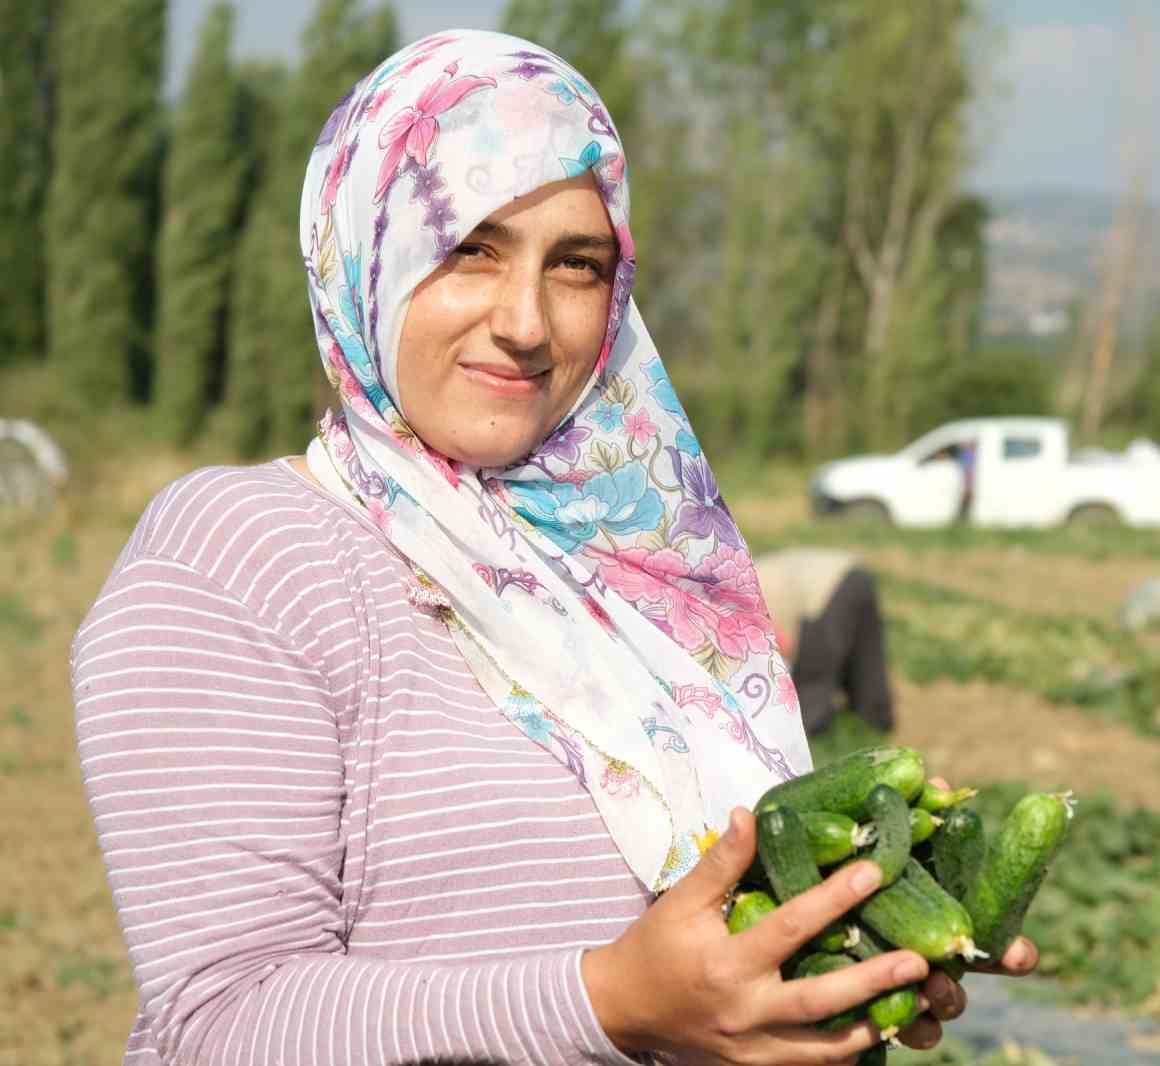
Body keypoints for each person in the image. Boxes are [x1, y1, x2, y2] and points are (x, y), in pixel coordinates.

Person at [70, 31, 1037, 1066]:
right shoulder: (242, 554)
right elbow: (219, 1023)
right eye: (469, 248)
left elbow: (691, 957)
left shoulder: (629, 569)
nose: (526, 322)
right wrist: (608, 1002)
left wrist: (834, 968)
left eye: (575, 265)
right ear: (362, 253)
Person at [755, 547, 893, 736]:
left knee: (812, 672)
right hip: (855, 575)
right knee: (867, 659)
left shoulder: (728, 600)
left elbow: (783, 643)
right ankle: (875, 724)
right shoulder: (745, 572)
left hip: (824, 593)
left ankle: (810, 733)